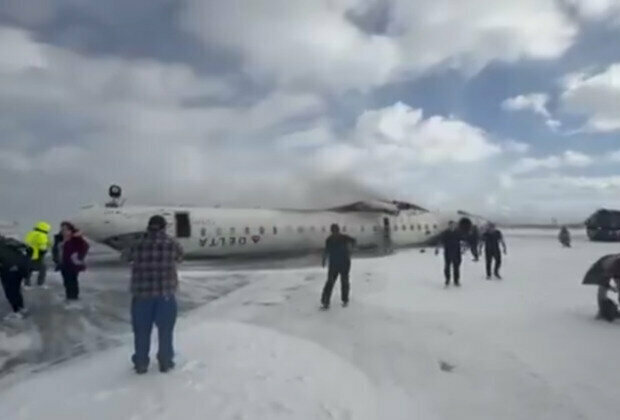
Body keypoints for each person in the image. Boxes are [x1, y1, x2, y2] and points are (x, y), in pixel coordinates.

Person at [123, 215, 183, 374]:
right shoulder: (172, 243)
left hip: (142, 296)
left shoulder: (137, 243)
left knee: (141, 331)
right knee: (165, 331)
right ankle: (165, 361)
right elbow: (180, 257)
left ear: (148, 227)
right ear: (164, 227)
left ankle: (141, 363)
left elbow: (124, 257)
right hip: (166, 295)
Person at [321, 223, 356, 309]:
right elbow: (326, 251)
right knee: (331, 282)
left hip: (343, 263)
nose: (335, 232)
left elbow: (353, 241)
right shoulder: (330, 240)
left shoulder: (342, 238)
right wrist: (324, 259)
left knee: (343, 281)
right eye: (334, 231)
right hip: (336, 264)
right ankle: (326, 301)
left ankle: (343, 300)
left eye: (335, 231)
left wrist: (351, 250)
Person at [0, 235, 30, 319]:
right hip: (18, 270)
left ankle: (17, 311)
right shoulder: (10, 241)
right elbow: (28, 249)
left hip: (9, 271)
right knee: (15, 290)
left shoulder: (7, 243)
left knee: (10, 292)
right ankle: (21, 309)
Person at [59, 222, 89, 302]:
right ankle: (69, 297)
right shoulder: (63, 239)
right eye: (62, 229)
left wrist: (79, 257)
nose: (63, 231)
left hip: (73, 264)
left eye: (65, 229)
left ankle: (73, 298)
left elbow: (85, 246)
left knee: (72, 282)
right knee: (67, 282)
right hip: (65, 264)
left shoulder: (76, 239)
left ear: (70, 230)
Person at [24, 221, 51, 287]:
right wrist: (45, 249)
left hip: (29, 253)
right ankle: (40, 283)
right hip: (38, 255)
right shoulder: (43, 235)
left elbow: (26, 242)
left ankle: (27, 283)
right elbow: (43, 246)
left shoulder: (30, 233)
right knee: (43, 269)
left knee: (28, 269)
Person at [436, 221, 463, 287]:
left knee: (456, 267)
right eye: (451, 225)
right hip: (448, 251)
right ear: (449, 225)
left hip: (456, 251)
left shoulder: (458, 232)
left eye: (453, 225)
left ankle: (456, 280)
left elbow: (462, 240)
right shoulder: (445, 232)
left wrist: (464, 247)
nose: (452, 226)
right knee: (447, 267)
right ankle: (447, 280)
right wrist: (437, 248)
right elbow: (441, 240)